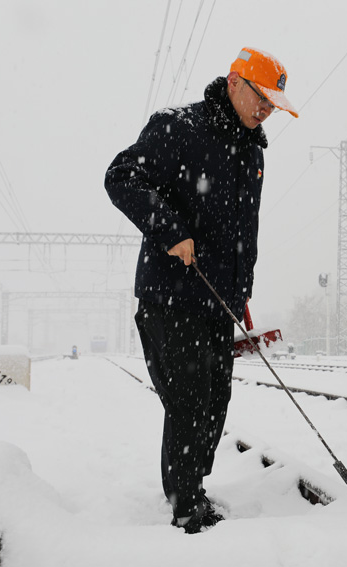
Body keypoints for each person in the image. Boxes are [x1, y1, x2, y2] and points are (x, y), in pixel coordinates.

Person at [104, 47, 298, 533]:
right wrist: (171, 230)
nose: (266, 110)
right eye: (261, 99)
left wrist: (241, 288)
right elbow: (121, 177)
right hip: (170, 297)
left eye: (274, 105)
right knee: (189, 402)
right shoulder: (178, 127)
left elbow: (240, 231)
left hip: (217, 301)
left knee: (215, 405)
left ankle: (190, 486)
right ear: (234, 83)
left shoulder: (252, 149)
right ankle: (187, 508)